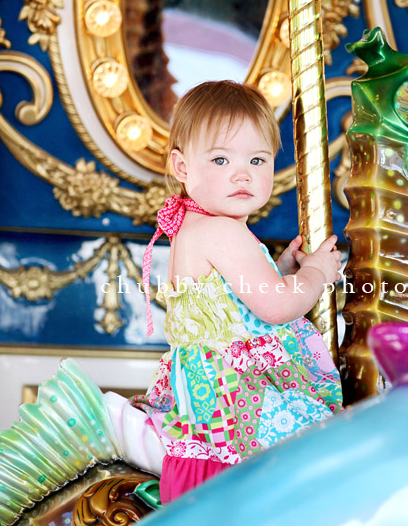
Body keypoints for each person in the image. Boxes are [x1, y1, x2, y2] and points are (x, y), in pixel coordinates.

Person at [131, 80, 343, 504]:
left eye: (258, 159)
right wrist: (317, 273)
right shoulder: (225, 231)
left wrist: (279, 269)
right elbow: (279, 305)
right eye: (221, 159)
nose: (242, 173)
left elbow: (234, 299)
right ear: (182, 166)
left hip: (204, 408)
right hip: (237, 409)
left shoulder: (192, 228)